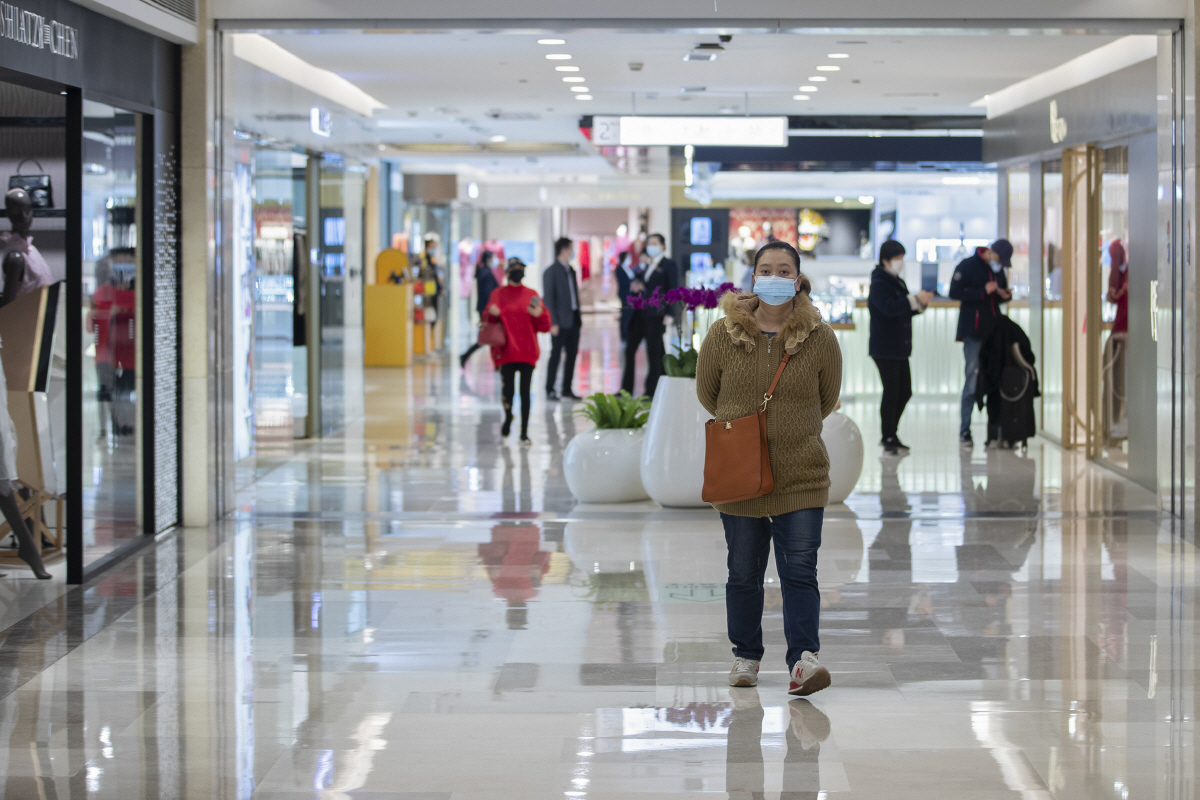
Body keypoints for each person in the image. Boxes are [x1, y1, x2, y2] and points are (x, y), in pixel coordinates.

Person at [696, 240, 843, 697]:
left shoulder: (820, 337)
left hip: (801, 473)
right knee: (743, 571)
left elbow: (827, 399)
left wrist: (789, 429)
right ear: (752, 276)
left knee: (800, 571)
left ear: (797, 280)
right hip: (739, 473)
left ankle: (804, 660)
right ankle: (746, 656)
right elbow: (708, 393)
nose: (774, 277)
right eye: (766, 269)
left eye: (784, 271)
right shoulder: (723, 334)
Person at [868, 240, 933, 454]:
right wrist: (914, 300)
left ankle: (891, 434)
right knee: (893, 392)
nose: (901, 262)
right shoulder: (879, 282)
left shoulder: (897, 281)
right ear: (886, 260)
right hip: (885, 347)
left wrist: (920, 304)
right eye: (897, 258)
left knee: (904, 391)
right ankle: (888, 436)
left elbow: (903, 309)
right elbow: (888, 308)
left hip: (898, 347)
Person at [949, 238, 1012, 447]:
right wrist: (982, 291)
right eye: (999, 259)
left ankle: (995, 431)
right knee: (972, 381)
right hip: (973, 333)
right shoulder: (967, 266)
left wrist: (1004, 295)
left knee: (995, 379)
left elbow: (998, 295)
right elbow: (954, 292)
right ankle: (964, 430)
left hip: (994, 333)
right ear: (990, 252)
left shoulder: (997, 270)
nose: (999, 265)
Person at [485, 258, 551, 444]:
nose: (518, 271)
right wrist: (492, 313)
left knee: (525, 392)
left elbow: (545, 325)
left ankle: (524, 432)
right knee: (508, 391)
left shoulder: (531, 294)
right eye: (514, 269)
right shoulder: (498, 294)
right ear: (507, 272)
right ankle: (508, 417)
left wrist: (540, 315)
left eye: (521, 268)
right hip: (506, 351)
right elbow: (488, 320)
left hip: (527, 351)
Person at [622, 233, 677, 398]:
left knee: (654, 352)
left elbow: (672, 289)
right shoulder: (648, 264)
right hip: (642, 313)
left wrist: (669, 312)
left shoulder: (668, 264)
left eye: (655, 243)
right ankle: (627, 388)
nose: (651, 246)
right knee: (643, 350)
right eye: (649, 243)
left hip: (657, 314)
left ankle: (651, 391)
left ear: (662, 246)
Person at [542, 237, 581, 401]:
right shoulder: (551, 271)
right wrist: (553, 322)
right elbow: (548, 299)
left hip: (574, 319)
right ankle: (550, 389)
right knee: (556, 355)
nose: (573, 252)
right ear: (564, 249)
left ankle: (567, 388)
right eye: (571, 248)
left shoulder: (571, 270)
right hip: (559, 321)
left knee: (572, 355)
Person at [460, 250, 501, 368]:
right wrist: (489, 312)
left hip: (484, 309)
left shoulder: (482, 272)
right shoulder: (487, 273)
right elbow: (489, 294)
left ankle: (497, 363)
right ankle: (466, 355)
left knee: (489, 337)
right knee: (487, 337)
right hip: (487, 311)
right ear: (489, 259)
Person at [613, 250, 640, 343]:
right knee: (625, 314)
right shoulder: (619, 269)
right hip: (625, 294)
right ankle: (624, 335)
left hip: (631, 294)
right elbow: (623, 281)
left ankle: (629, 333)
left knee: (629, 313)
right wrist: (632, 283)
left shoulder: (629, 268)